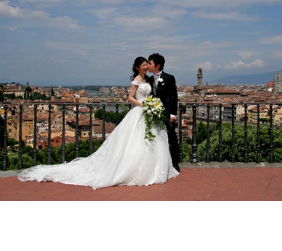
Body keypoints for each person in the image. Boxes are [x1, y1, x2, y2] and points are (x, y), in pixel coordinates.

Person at [18, 57, 179, 189]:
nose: (146, 66)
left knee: (150, 141)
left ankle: (154, 168)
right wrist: (144, 105)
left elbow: (164, 95)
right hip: (141, 111)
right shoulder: (137, 80)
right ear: (138, 67)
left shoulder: (149, 79)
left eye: (148, 64)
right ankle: (133, 169)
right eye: (144, 64)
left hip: (150, 113)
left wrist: (156, 108)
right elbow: (130, 97)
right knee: (136, 141)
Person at [147, 53, 181, 172]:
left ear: (157, 65)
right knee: (156, 137)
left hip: (166, 114)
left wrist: (173, 114)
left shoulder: (169, 78)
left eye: (150, 63)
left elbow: (173, 96)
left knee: (171, 138)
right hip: (153, 114)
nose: (148, 65)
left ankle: (175, 163)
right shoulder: (149, 79)